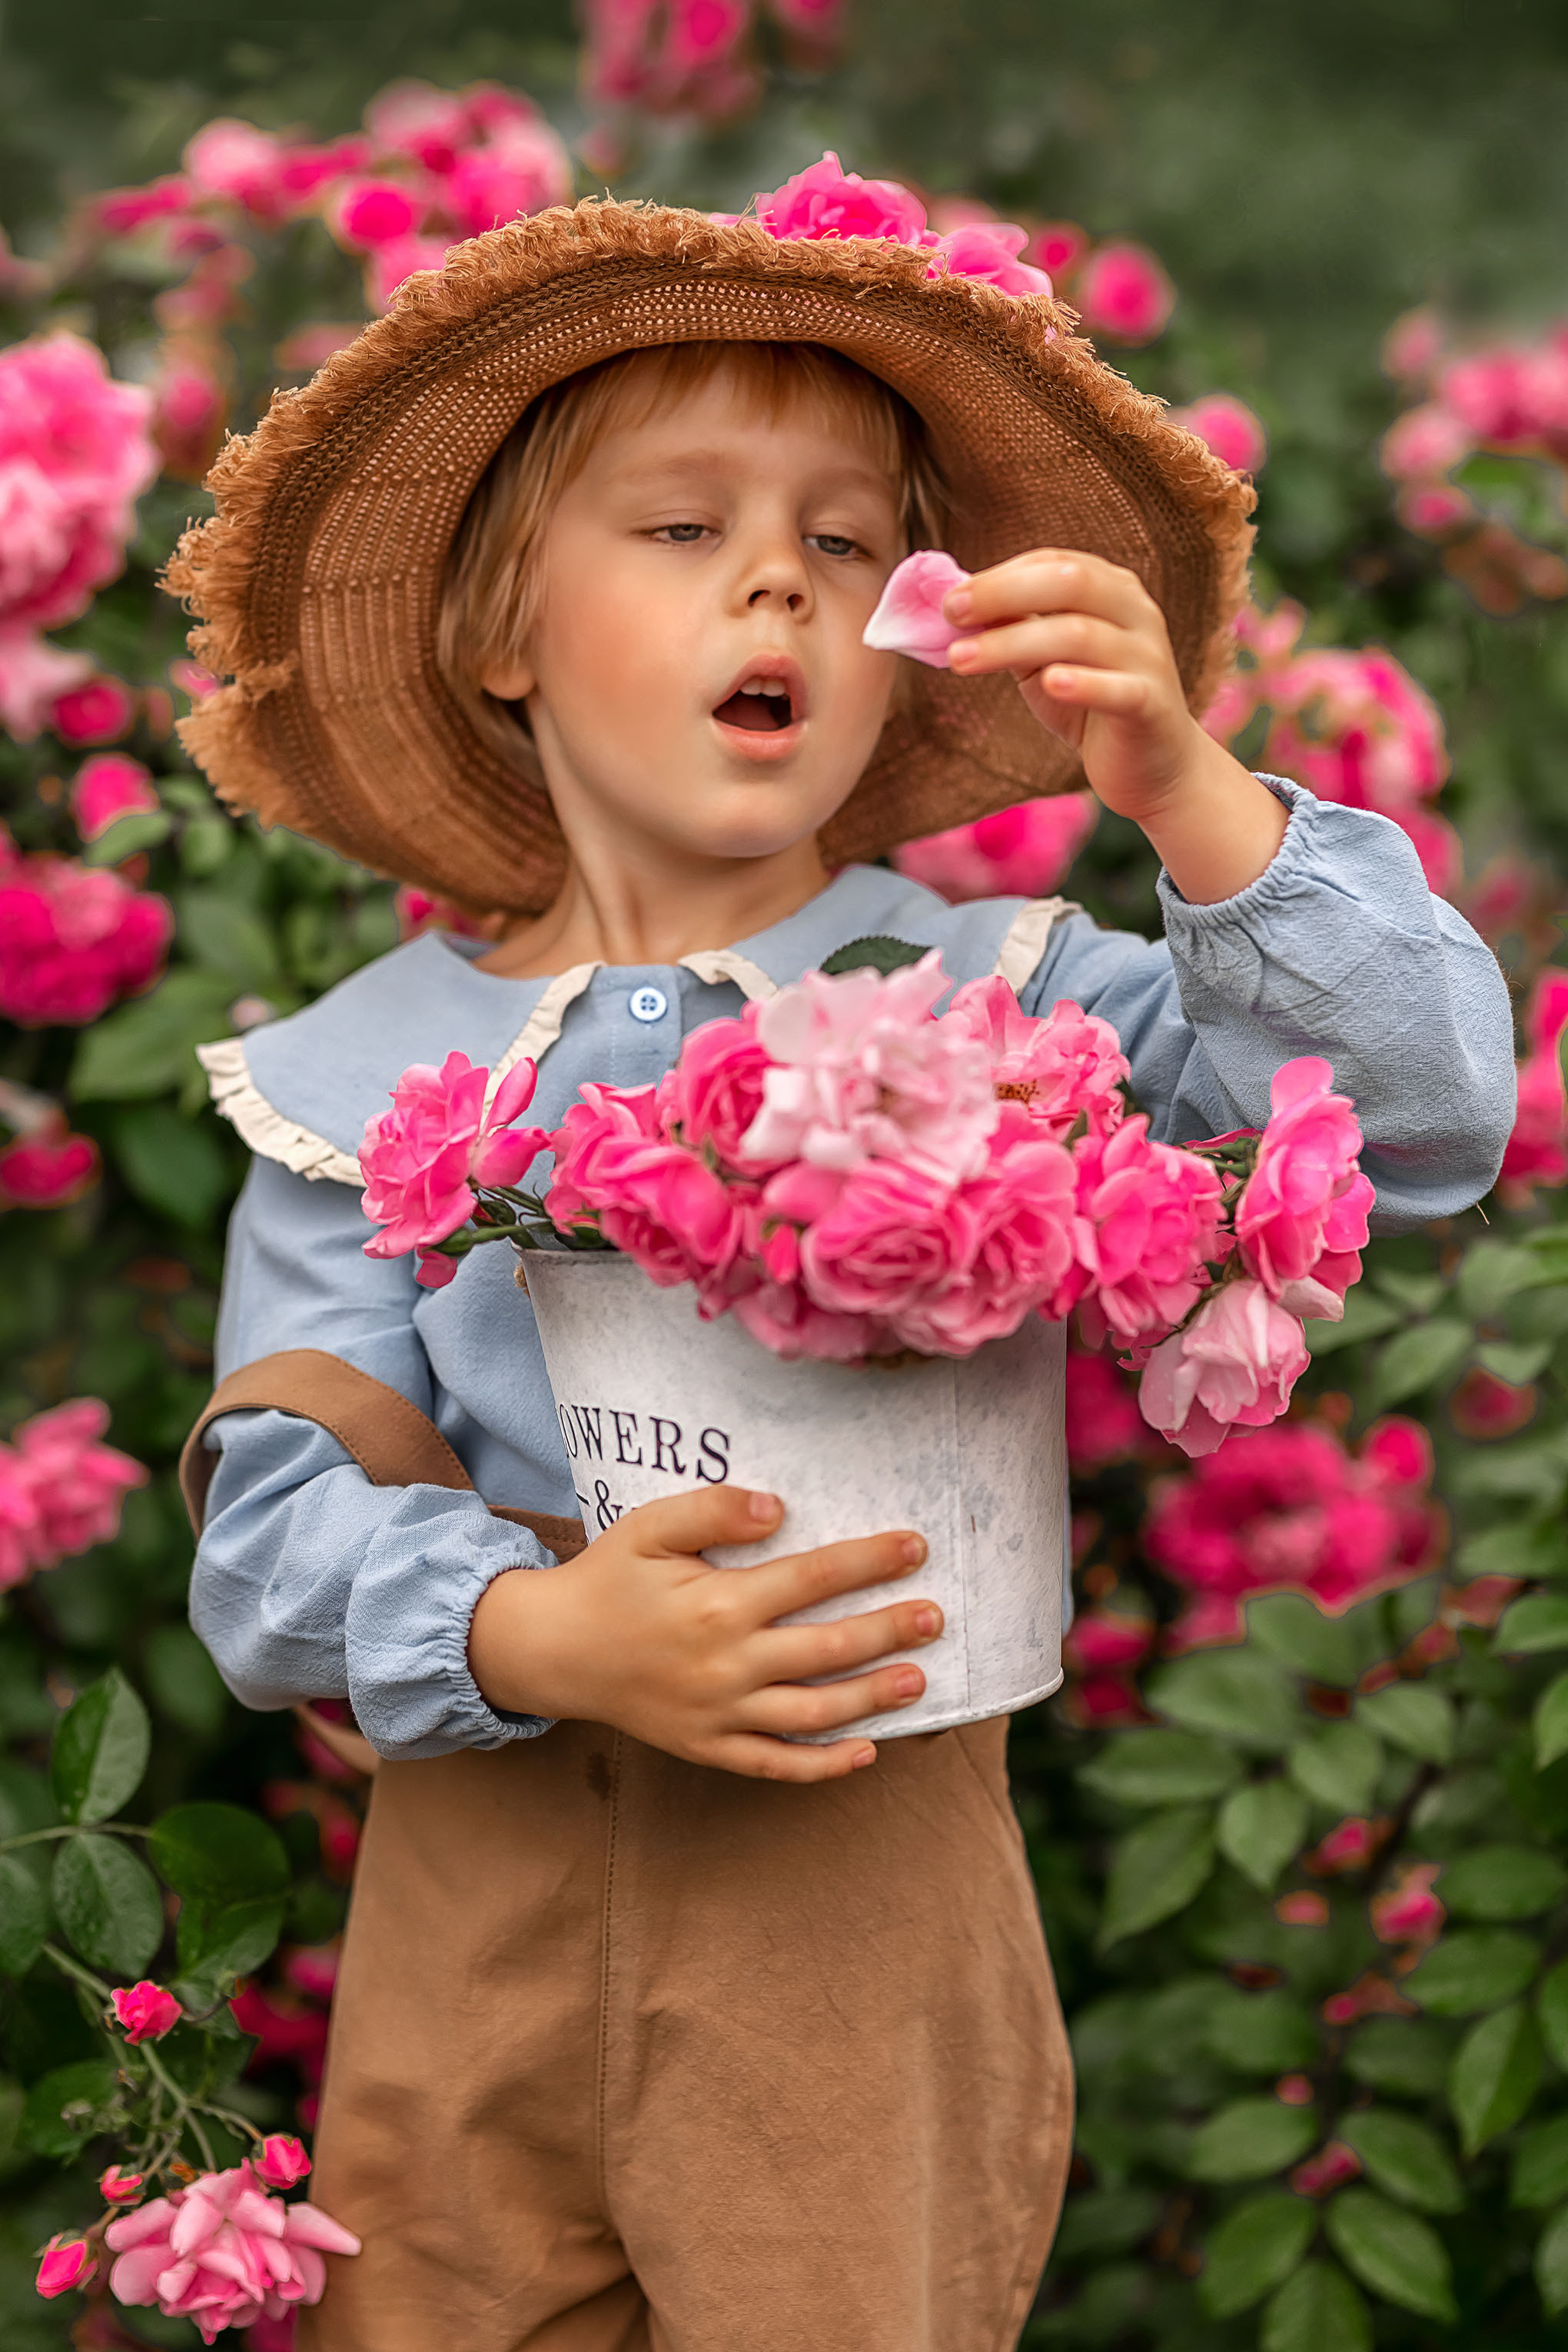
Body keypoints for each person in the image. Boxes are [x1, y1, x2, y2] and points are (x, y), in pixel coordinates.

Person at [171, 165, 1515, 2352]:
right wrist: (531, 1624)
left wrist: (1191, 795)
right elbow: (269, 1538)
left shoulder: (1021, 997)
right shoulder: (361, 1081)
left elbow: (1428, 1118)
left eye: (848, 541)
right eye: (682, 526)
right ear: (503, 637)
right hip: (476, 1921)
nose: (780, 581)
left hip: (859, 1893)